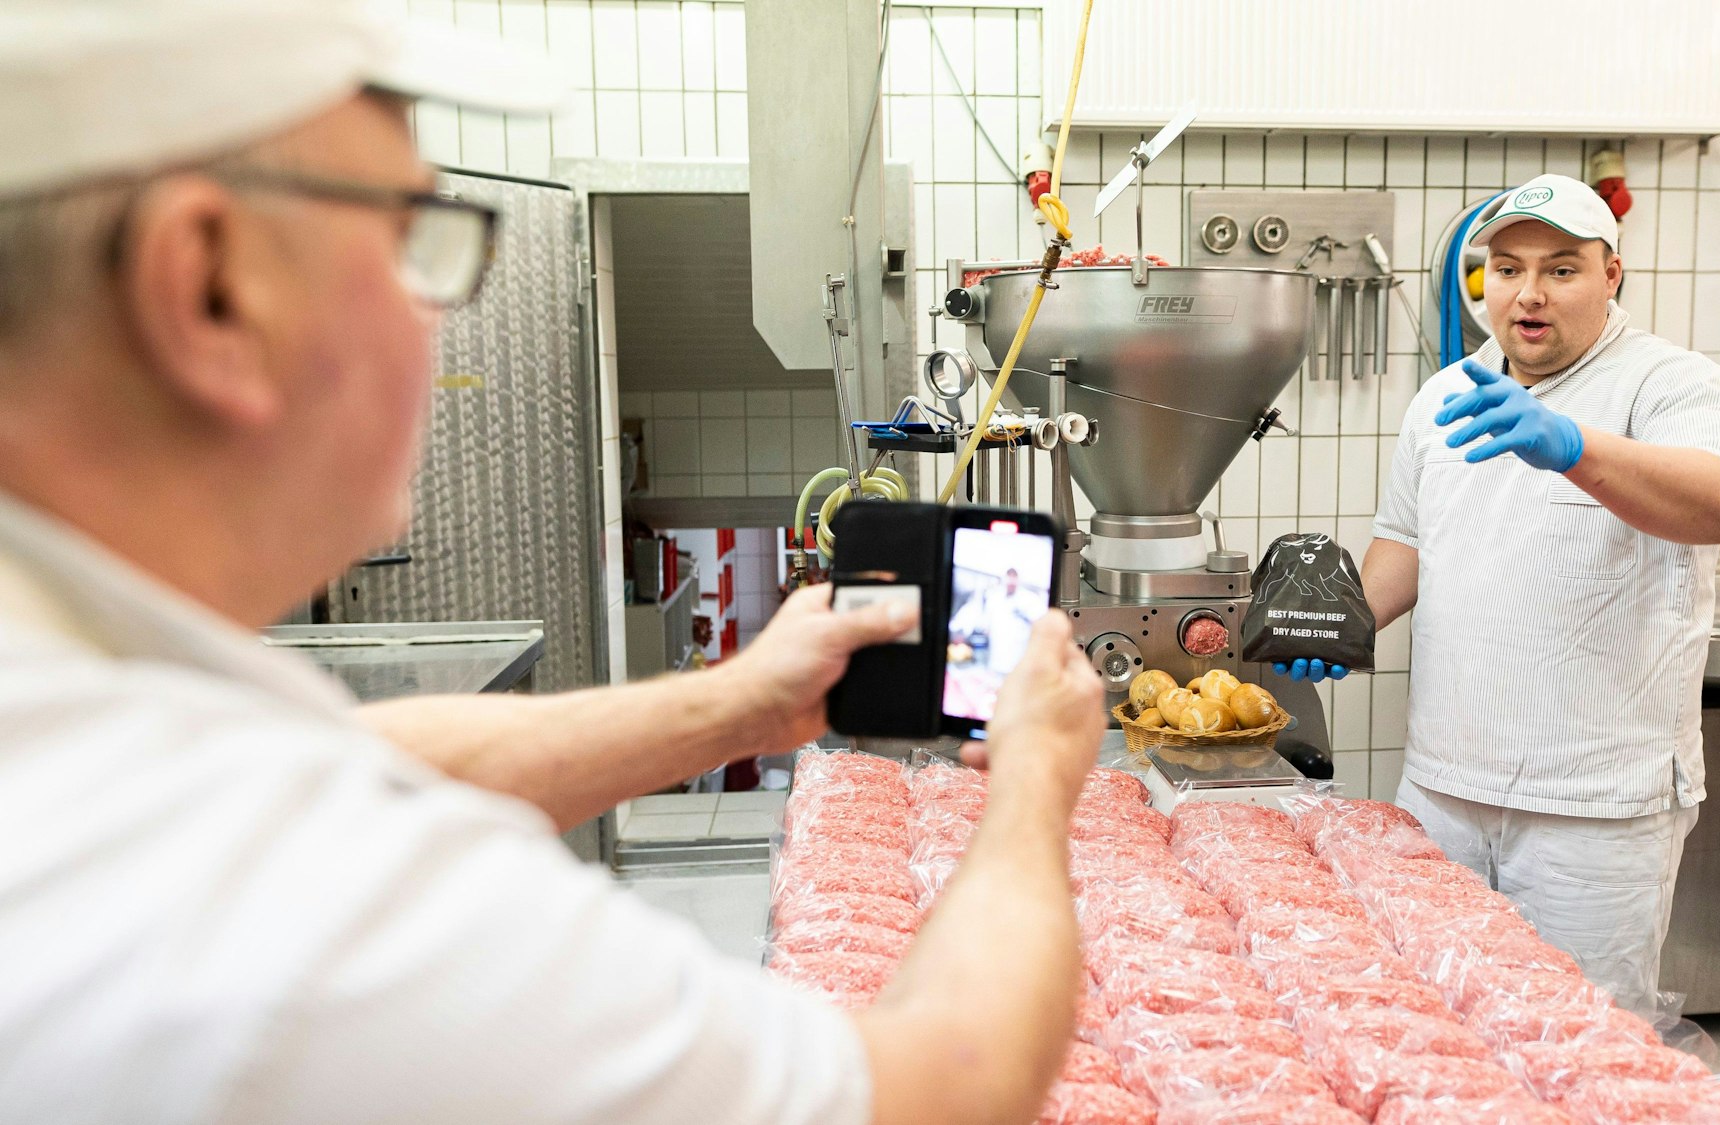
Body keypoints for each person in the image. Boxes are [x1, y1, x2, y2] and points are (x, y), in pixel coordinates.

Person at [0, 3, 1106, 1123]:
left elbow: (354, 765)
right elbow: (938, 1089)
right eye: (413, 240)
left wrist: (746, 704)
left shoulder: (74, 719)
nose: (435, 316)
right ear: (208, 285)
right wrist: (1032, 785)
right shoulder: (327, 938)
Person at [1280, 174, 1720, 1010]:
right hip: (1444, 788)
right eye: (1507, 269)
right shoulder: (1446, 395)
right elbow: (1409, 540)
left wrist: (1575, 447)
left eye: (1561, 269)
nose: (1529, 293)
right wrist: (1340, 622)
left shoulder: (1669, 382)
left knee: (1577, 1032)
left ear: (1611, 275)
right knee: (1434, 1017)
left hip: (1595, 806)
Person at [948, 566, 1043, 673]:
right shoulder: (995, 598)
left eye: (1014, 576)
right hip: (996, 663)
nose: (1011, 580)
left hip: (1020, 664)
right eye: (1009, 576)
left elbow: (1041, 625)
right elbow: (985, 625)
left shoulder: (1030, 600)